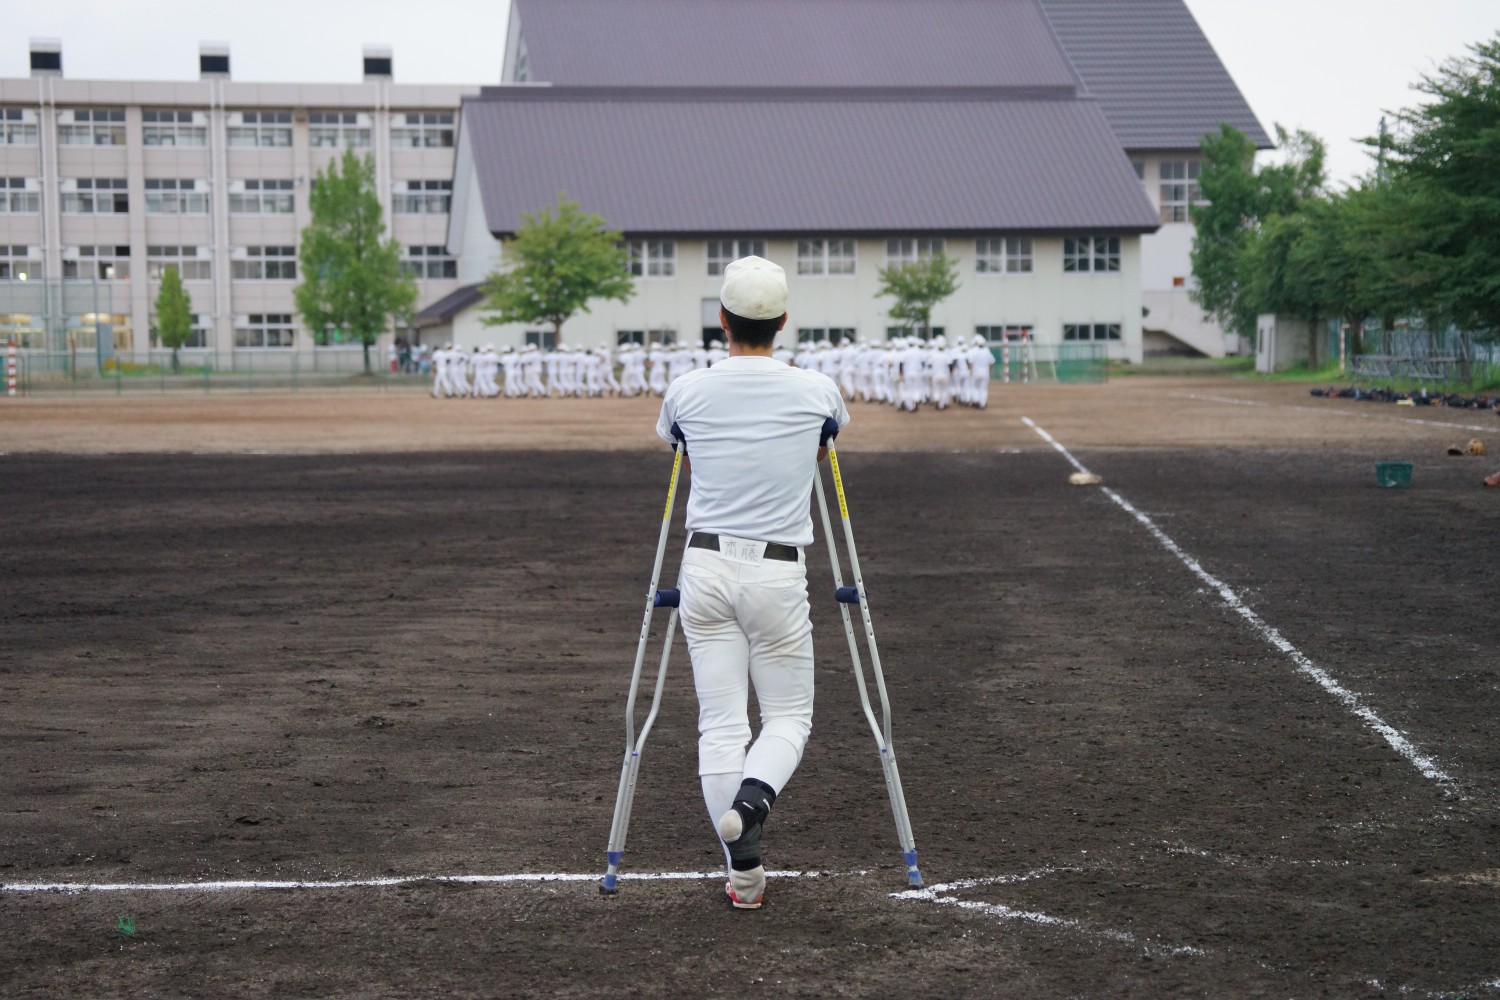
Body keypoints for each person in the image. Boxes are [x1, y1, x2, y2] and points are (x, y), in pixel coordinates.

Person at [656, 256, 850, 910]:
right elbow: (831, 437)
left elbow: (672, 440)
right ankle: (754, 799)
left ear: (722, 321)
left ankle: (743, 876)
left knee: (721, 724)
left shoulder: (689, 388)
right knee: (790, 715)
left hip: (704, 566)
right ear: (784, 321)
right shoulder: (816, 388)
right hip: (776, 570)